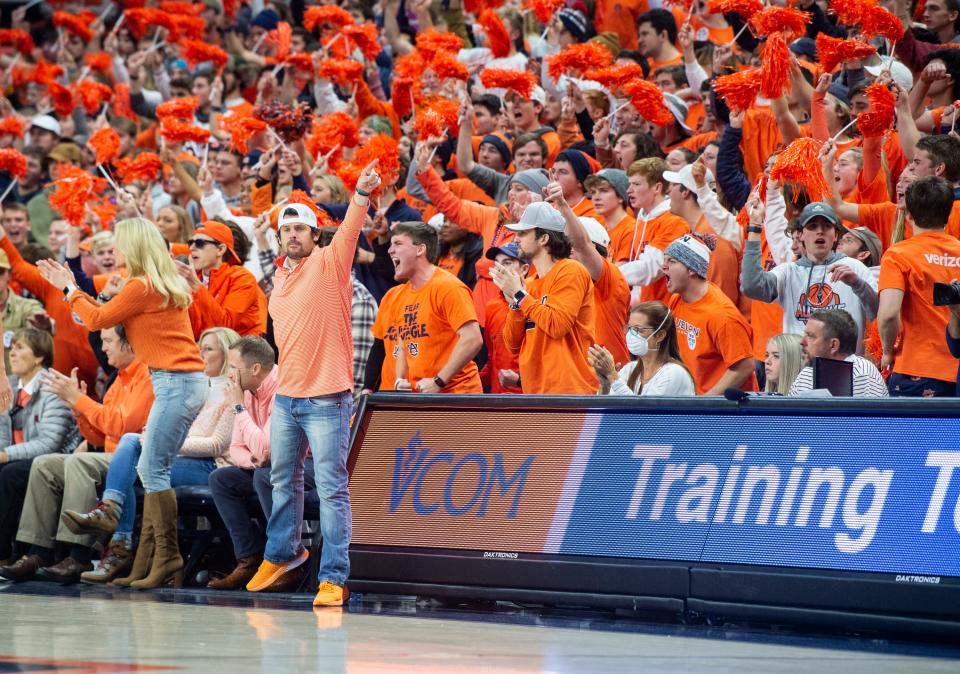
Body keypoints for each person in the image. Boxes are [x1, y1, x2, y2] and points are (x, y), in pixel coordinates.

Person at [37, 216, 208, 590]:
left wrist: (69, 286)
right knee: (150, 468)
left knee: (153, 471)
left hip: (176, 382)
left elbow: (96, 319)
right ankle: (149, 560)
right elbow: (98, 317)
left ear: (134, 245)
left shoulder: (141, 286)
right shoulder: (155, 285)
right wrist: (80, 294)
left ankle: (166, 559)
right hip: (180, 382)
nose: (114, 251)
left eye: (118, 244)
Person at [245, 161, 381, 607]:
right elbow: (258, 224)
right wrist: (264, 186)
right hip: (287, 397)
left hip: (327, 396)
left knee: (331, 489)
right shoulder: (279, 279)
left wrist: (360, 193)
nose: (293, 236)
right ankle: (284, 553)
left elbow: (351, 229)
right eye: (286, 231)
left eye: (301, 229)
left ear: (315, 234)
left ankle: (335, 578)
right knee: (280, 479)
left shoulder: (330, 263)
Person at [62, 327, 242, 585]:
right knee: (134, 454)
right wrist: (158, 437)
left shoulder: (232, 392)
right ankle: (132, 547)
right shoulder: (196, 388)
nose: (201, 354)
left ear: (226, 353)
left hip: (211, 467)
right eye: (199, 348)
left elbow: (216, 445)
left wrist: (165, 442)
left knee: (135, 460)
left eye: (208, 349)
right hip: (181, 459)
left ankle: (121, 539)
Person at [0, 326, 153, 584]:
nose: (103, 349)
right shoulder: (119, 379)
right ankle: (38, 552)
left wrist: (81, 402)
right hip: (108, 455)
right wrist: (79, 410)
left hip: (134, 460)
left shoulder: (147, 377)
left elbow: (124, 427)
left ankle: (78, 554)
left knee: (78, 462)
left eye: (108, 341)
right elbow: (99, 437)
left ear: (129, 344)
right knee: (45, 465)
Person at [742, 201, 878, 353]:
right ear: (800, 235)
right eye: (812, 226)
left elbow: (877, 312)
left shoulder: (855, 268)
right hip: (798, 369)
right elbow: (751, 286)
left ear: (836, 235)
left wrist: (857, 283)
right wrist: (754, 227)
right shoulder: (788, 272)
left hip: (843, 369)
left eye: (827, 226)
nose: (820, 231)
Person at [208, 336, 288, 591]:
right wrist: (255, 461)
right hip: (264, 468)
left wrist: (239, 409)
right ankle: (249, 559)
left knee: (264, 477)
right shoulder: (247, 390)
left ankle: (281, 558)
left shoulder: (282, 389)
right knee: (222, 479)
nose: (229, 374)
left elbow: (266, 447)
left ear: (255, 369)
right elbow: (236, 448)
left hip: (298, 467)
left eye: (233, 367)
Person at [493, 202, 597, 394]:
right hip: (535, 392)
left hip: (571, 391)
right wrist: (515, 302)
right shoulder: (529, 284)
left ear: (543, 239)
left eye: (524, 233)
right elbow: (513, 345)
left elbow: (558, 326)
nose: (516, 238)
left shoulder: (570, 270)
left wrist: (520, 295)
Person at [371, 221, 483, 393]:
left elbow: (472, 339)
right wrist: (400, 379)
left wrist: (439, 381)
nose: (389, 250)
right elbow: (403, 345)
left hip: (457, 397)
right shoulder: (401, 294)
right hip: (422, 398)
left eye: (398, 244)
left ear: (420, 249)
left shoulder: (449, 287)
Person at [0, 330, 77, 565]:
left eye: (21, 347)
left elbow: (49, 443)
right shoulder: (9, 387)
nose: (12, 353)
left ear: (39, 357)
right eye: (12, 347)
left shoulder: (53, 388)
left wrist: (4, 455)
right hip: (18, 458)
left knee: (9, 474)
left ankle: (3, 553)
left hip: (56, 460)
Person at [879, 176, 960, 396]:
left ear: (909, 214)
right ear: (948, 213)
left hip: (918, 369)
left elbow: (887, 314)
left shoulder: (898, 255)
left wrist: (887, 351)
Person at [547, 181, 631, 366]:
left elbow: (582, 245)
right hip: (576, 378)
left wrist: (561, 204)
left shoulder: (610, 277)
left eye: (570, 246)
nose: (566, 252)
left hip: (609, 381)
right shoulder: (563, 279)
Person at [662, 234, 757, 394]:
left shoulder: (723, 316)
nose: (663, 267)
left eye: (671, 261)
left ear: (692, 269)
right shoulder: (676, 299)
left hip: (726, 411)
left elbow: (745, 365)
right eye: (664, 260)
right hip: (692, 399)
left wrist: (708, 400)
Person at [178, 221, 267, 338]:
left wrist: (196, 286)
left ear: (220, 250)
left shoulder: (242, 278)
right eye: (191, 242)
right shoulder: (193, 278)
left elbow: (225, 328)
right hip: (206, 350)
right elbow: (193, 330)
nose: (192, 247)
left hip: (239, 351)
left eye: (200, 243)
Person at [589, 301, 695, 395]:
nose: (631, 335)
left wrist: (612, 375)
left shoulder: (674, 373)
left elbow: (644, 415)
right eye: (629, 328)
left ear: (660, 335)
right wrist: (605, 385)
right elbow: (609, 413)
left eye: (638, 329)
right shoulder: (629, 369)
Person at [789, 310, 889, 397]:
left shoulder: (863, 374)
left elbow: (869, 418)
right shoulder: (806, 374)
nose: (802, 341)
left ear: (833, 345)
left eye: (810, 336)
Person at [479, 243, 527, 394]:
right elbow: (492, 356)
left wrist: (520, 380)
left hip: (531, 398)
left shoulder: (537, 303)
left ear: (524, 269)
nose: (500, 269)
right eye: (497, 264)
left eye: (507, 263)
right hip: (498, 398)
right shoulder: (492, 307)